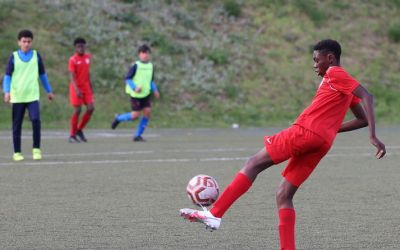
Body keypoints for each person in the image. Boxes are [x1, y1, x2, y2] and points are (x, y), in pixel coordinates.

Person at [180, 39, 386, 250]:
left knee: (253, 164)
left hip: (305, 132)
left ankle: (215, 214)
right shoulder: (339, 85)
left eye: (317, 60)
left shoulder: (335, 73)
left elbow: (367, 95)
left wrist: (372, 136)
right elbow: (362, 119)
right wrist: (332, 129)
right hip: (322, 143)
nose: (314, 65)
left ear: (330, 58)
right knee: (283, 195)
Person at [2, 29, 54, 161]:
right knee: (17, 125)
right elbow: (7, 76)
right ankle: (17, 152)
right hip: (18, 97)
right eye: (24, 41)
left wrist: (49, 90)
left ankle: (36, 149)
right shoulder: (13, 57)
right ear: (19, 42)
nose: (26, 44)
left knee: (36, 120)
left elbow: (43, 75)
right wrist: (7, 92)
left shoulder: (36, 56)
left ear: (32, 42)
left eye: (29, 41)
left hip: (32, 96)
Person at [111, 44, 160, 142]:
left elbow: (150, 80)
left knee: (147, 113)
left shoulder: (151, 66)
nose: (145, 55)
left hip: (146, 94)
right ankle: (118, 118)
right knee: (134, 115)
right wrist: (134, 87)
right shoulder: (136, 66)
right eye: (143, 53)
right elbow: (127, 79)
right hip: (136, 95)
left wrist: (155, 89)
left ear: (149, 55)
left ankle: (137, 135)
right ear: (139, 55)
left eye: (147, 53)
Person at [68, 37, 94, 143]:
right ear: (75, 48)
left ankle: (79, 129)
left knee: (91, 108)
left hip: (86, 87)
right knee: (78, 110)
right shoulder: (72, 60)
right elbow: (71, 76)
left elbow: (87, 74)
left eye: (82, 46)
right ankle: (72, 135)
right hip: (76, 88)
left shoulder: (88, 58)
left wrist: (91, 87)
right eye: (78, 46)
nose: (81, 48)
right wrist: (76, 89)